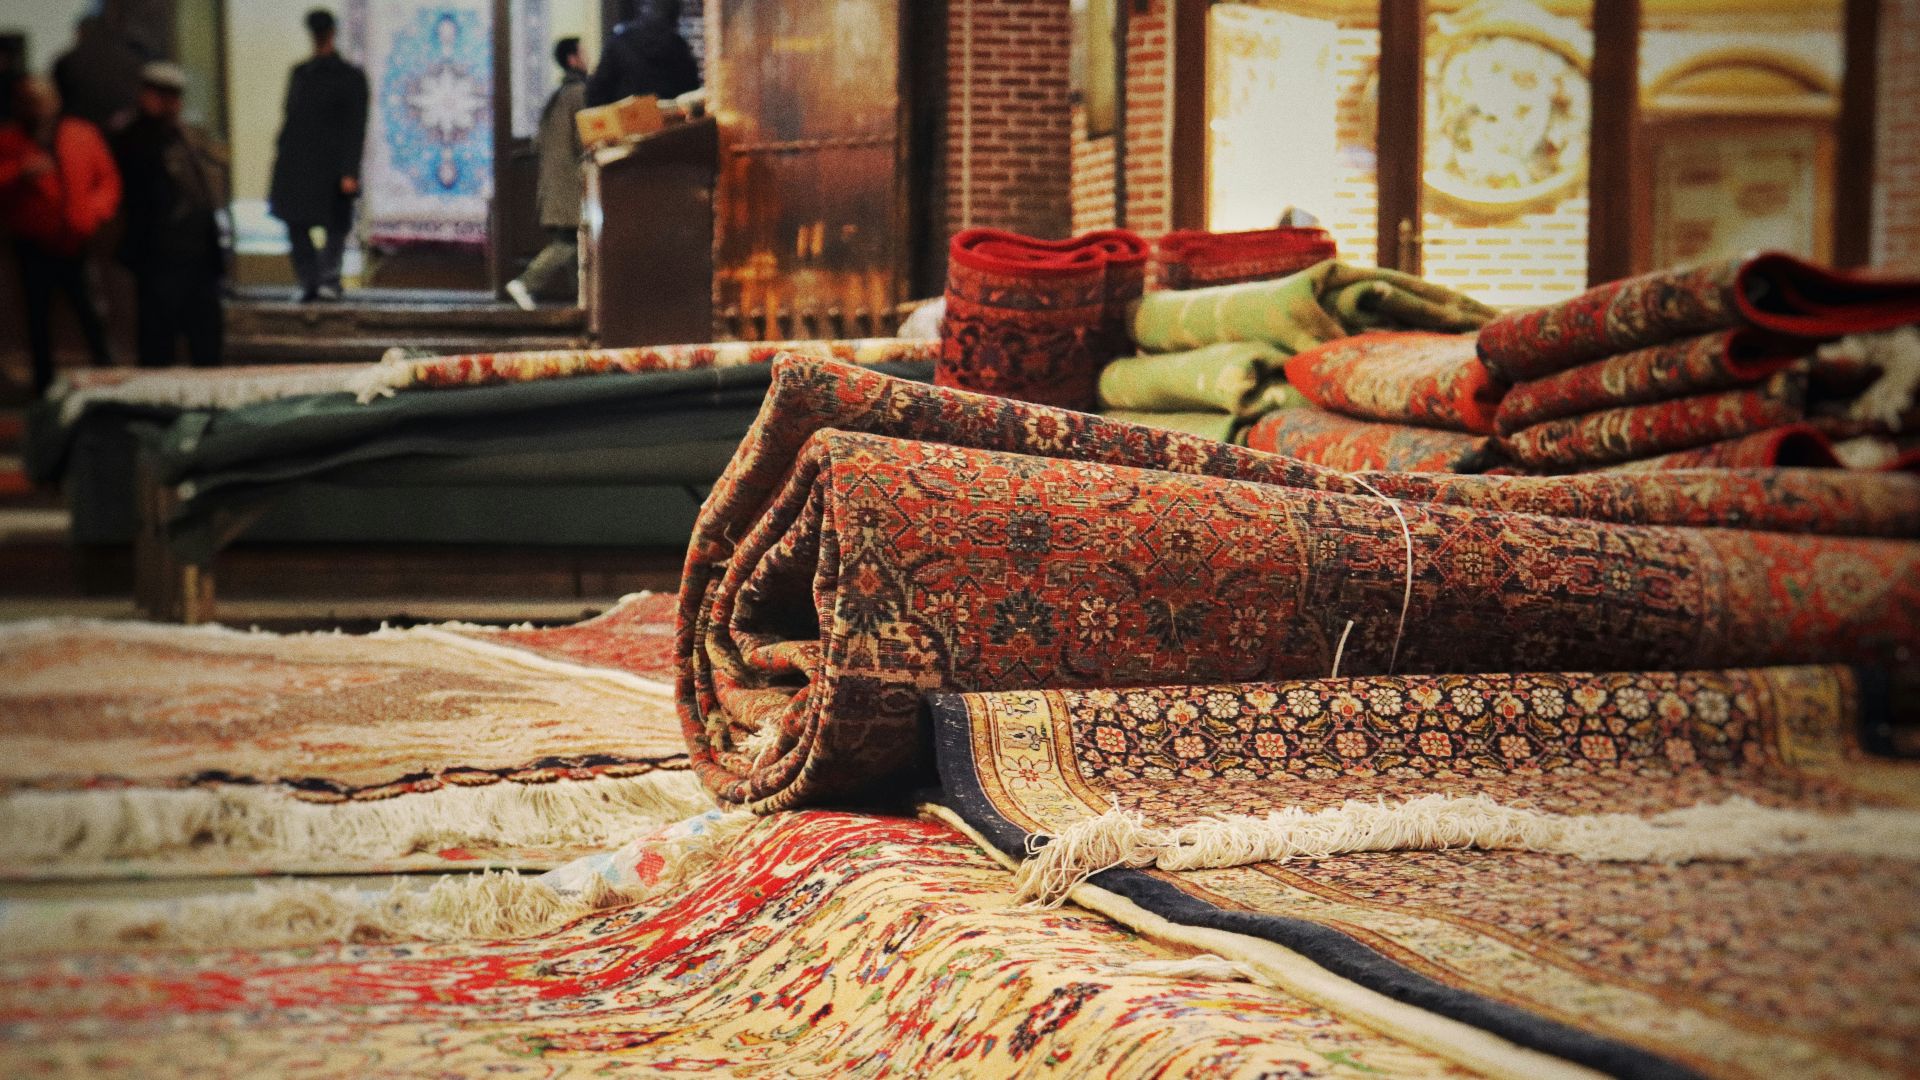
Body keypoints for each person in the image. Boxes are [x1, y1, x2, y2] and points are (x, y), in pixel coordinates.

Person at [0, 76, 119, 394]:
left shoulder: (81, 135)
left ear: (55, 101)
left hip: (76, 241)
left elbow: (107, 180)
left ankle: (108, 380)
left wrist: (93, 212)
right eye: (28, 100)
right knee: (37, 321)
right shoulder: (9, 141)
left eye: (41, 99)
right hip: (33, 244)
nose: (36, 107)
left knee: (92, 315)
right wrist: (19, 174)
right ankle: (42, 389)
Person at [114, 62, 225, 369]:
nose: (173, 104)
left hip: (197, 253)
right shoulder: (135, 137)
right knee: (157, 344)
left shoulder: (183, 135)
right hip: (160, 255)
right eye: (164, 96)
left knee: (206, 342)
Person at [268, 8, 368, 303]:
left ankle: (327, 279)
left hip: (332, 163)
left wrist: (350, 169)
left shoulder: (350, 77)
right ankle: (310, 280)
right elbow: (291, 116)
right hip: (298, 161)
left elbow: (355, 125)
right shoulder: (301, 74)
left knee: (336, 223)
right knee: (294, 221)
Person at [506, 37, 589, 311]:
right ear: (572, 59)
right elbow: (585, 139)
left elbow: (539, 141)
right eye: (584, 52)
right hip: (571, 183)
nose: (590, 56)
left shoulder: (558, 95)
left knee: (575, 244)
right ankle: (526, 283)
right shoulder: (579, 94)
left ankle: (583, 301)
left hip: (556, 183)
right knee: (568, 241)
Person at [586, 0, 701, 108]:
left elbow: (596, 93)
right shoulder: (678, 46)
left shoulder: (620, 41)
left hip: (626, 121)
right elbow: (691, 91)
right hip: (668, 123)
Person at [53, 16, 144, 135]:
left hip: (79, 132)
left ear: (80, 33)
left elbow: (58, 100)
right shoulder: (132, 62)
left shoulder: (67, 61)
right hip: (124, 132)